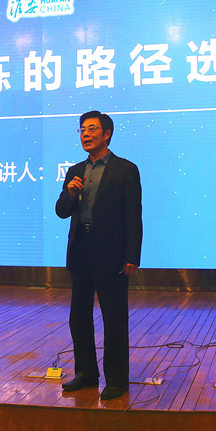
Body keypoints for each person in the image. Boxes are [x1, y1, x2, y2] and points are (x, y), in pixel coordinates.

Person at [55, 110, 142, 401]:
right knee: (78, 317)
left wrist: (132, 254)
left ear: (107, 134)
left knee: (114, 319)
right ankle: (86, 374)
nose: (85, 134)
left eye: (91, 129)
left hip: (112, 254)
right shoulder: (75, 171)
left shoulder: (125, 169)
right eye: (82, 130)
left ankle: (116, 380)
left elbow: (133, 216)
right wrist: (70, 194)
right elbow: (61, 211)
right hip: (81, 251)